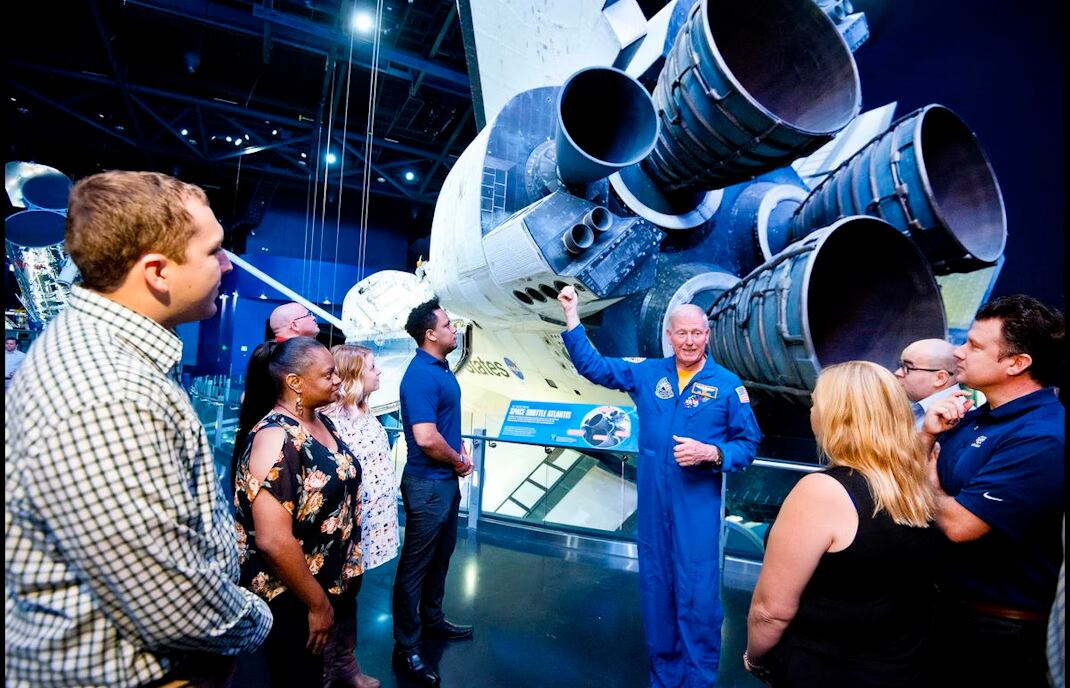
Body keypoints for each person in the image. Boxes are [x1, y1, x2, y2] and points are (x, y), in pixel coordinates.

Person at [5, 170, 272, 686]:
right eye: (214, 251)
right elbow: (173, 602)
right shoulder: (109, 392)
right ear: (157, 272)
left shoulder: (113, 355)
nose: (226, 266)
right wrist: (258, 618)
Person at [557, 285, 761, 688]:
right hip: (653, 508)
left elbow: (748, 443)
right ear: (669, 335)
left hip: (696, 509)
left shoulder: (726, 385)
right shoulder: (648, 373)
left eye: (697, 333)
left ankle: (698, 679)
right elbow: (594, 368)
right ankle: (664, 678)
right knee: (657, 594)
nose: (689, 341)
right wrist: (572, 317)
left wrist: (714, 454)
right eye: (681, 333)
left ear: (707, 336)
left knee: (698, 599)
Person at [744, 361, 937, 687]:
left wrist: (755, 657)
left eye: (816, 404)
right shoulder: (915, 482)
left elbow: (771, 611)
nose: (812, 413)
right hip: (900, 667)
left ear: (837, 417)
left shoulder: (822, 492)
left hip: (828, 669)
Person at [921, 294, 1064, 686]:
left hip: (996, 631)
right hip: (943, 609)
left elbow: (961, 526)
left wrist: (930, 483)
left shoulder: (1043, 435)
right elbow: (916, 470)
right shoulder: (976, 416)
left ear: (1017, 364)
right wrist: (925, 436)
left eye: (975, 346)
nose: (958, 351)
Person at [231, 336, 363, 686]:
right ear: (295, 383)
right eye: (328, 375)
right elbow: (273, 540)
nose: (337, 381)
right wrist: (318, 605)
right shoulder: (276, 438)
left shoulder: (321, 422)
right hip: (290, 597)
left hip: (319, 588)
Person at [392, 298, 474, 687]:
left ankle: (433, 620)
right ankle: (406, 646)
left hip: (442, 483)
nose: (453, 328)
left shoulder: (439, 369)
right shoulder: (421, 375)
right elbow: (426, 438)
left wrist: (459, 453)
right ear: (430, 334)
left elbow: (441, 426)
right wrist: (458, 460)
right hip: (428, 484)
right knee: (415, 567)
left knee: (440, 557)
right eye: (447, 324)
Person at [323, 344, 401, 688]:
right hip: (342, 531)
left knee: (349, 593)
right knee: (332, 597)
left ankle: (343, 665)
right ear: (354, 375)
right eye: (372, 367)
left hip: (367, 531)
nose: (378, 372)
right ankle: (327, 670)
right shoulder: (329, 420)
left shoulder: (365, 413)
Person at [894, 338, 960, 429]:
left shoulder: (957, 419)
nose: (897, 373)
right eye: (900, 365)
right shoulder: (912, 406)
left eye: (907, 368)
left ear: (940, 378)